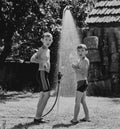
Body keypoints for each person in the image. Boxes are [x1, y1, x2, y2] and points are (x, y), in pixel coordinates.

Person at [30, 32, 53, 123]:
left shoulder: (47, 50)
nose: (48, 41)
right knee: (47, 94)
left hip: (45, 74)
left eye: (50, 39)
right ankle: (37, 117)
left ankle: (38, 116)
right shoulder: (42, 49)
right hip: (42, 73)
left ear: (52, 41)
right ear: (42, 40)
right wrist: (42, 62)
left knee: (43, 94)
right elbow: (32, 59)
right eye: (46, 39)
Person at [71, 44, 90, 124]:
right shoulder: (80, 60)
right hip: (81, 82)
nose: (80, 52)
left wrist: (75, 68)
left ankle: (75, 119)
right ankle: (87, 117)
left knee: (77, 101)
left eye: (82, 50)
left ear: (86, 52)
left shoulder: (85, 60)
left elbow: (84, 73)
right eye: (78, 51)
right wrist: (75, 66)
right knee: (82, 101)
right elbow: (78, 70)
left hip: (82, 82)